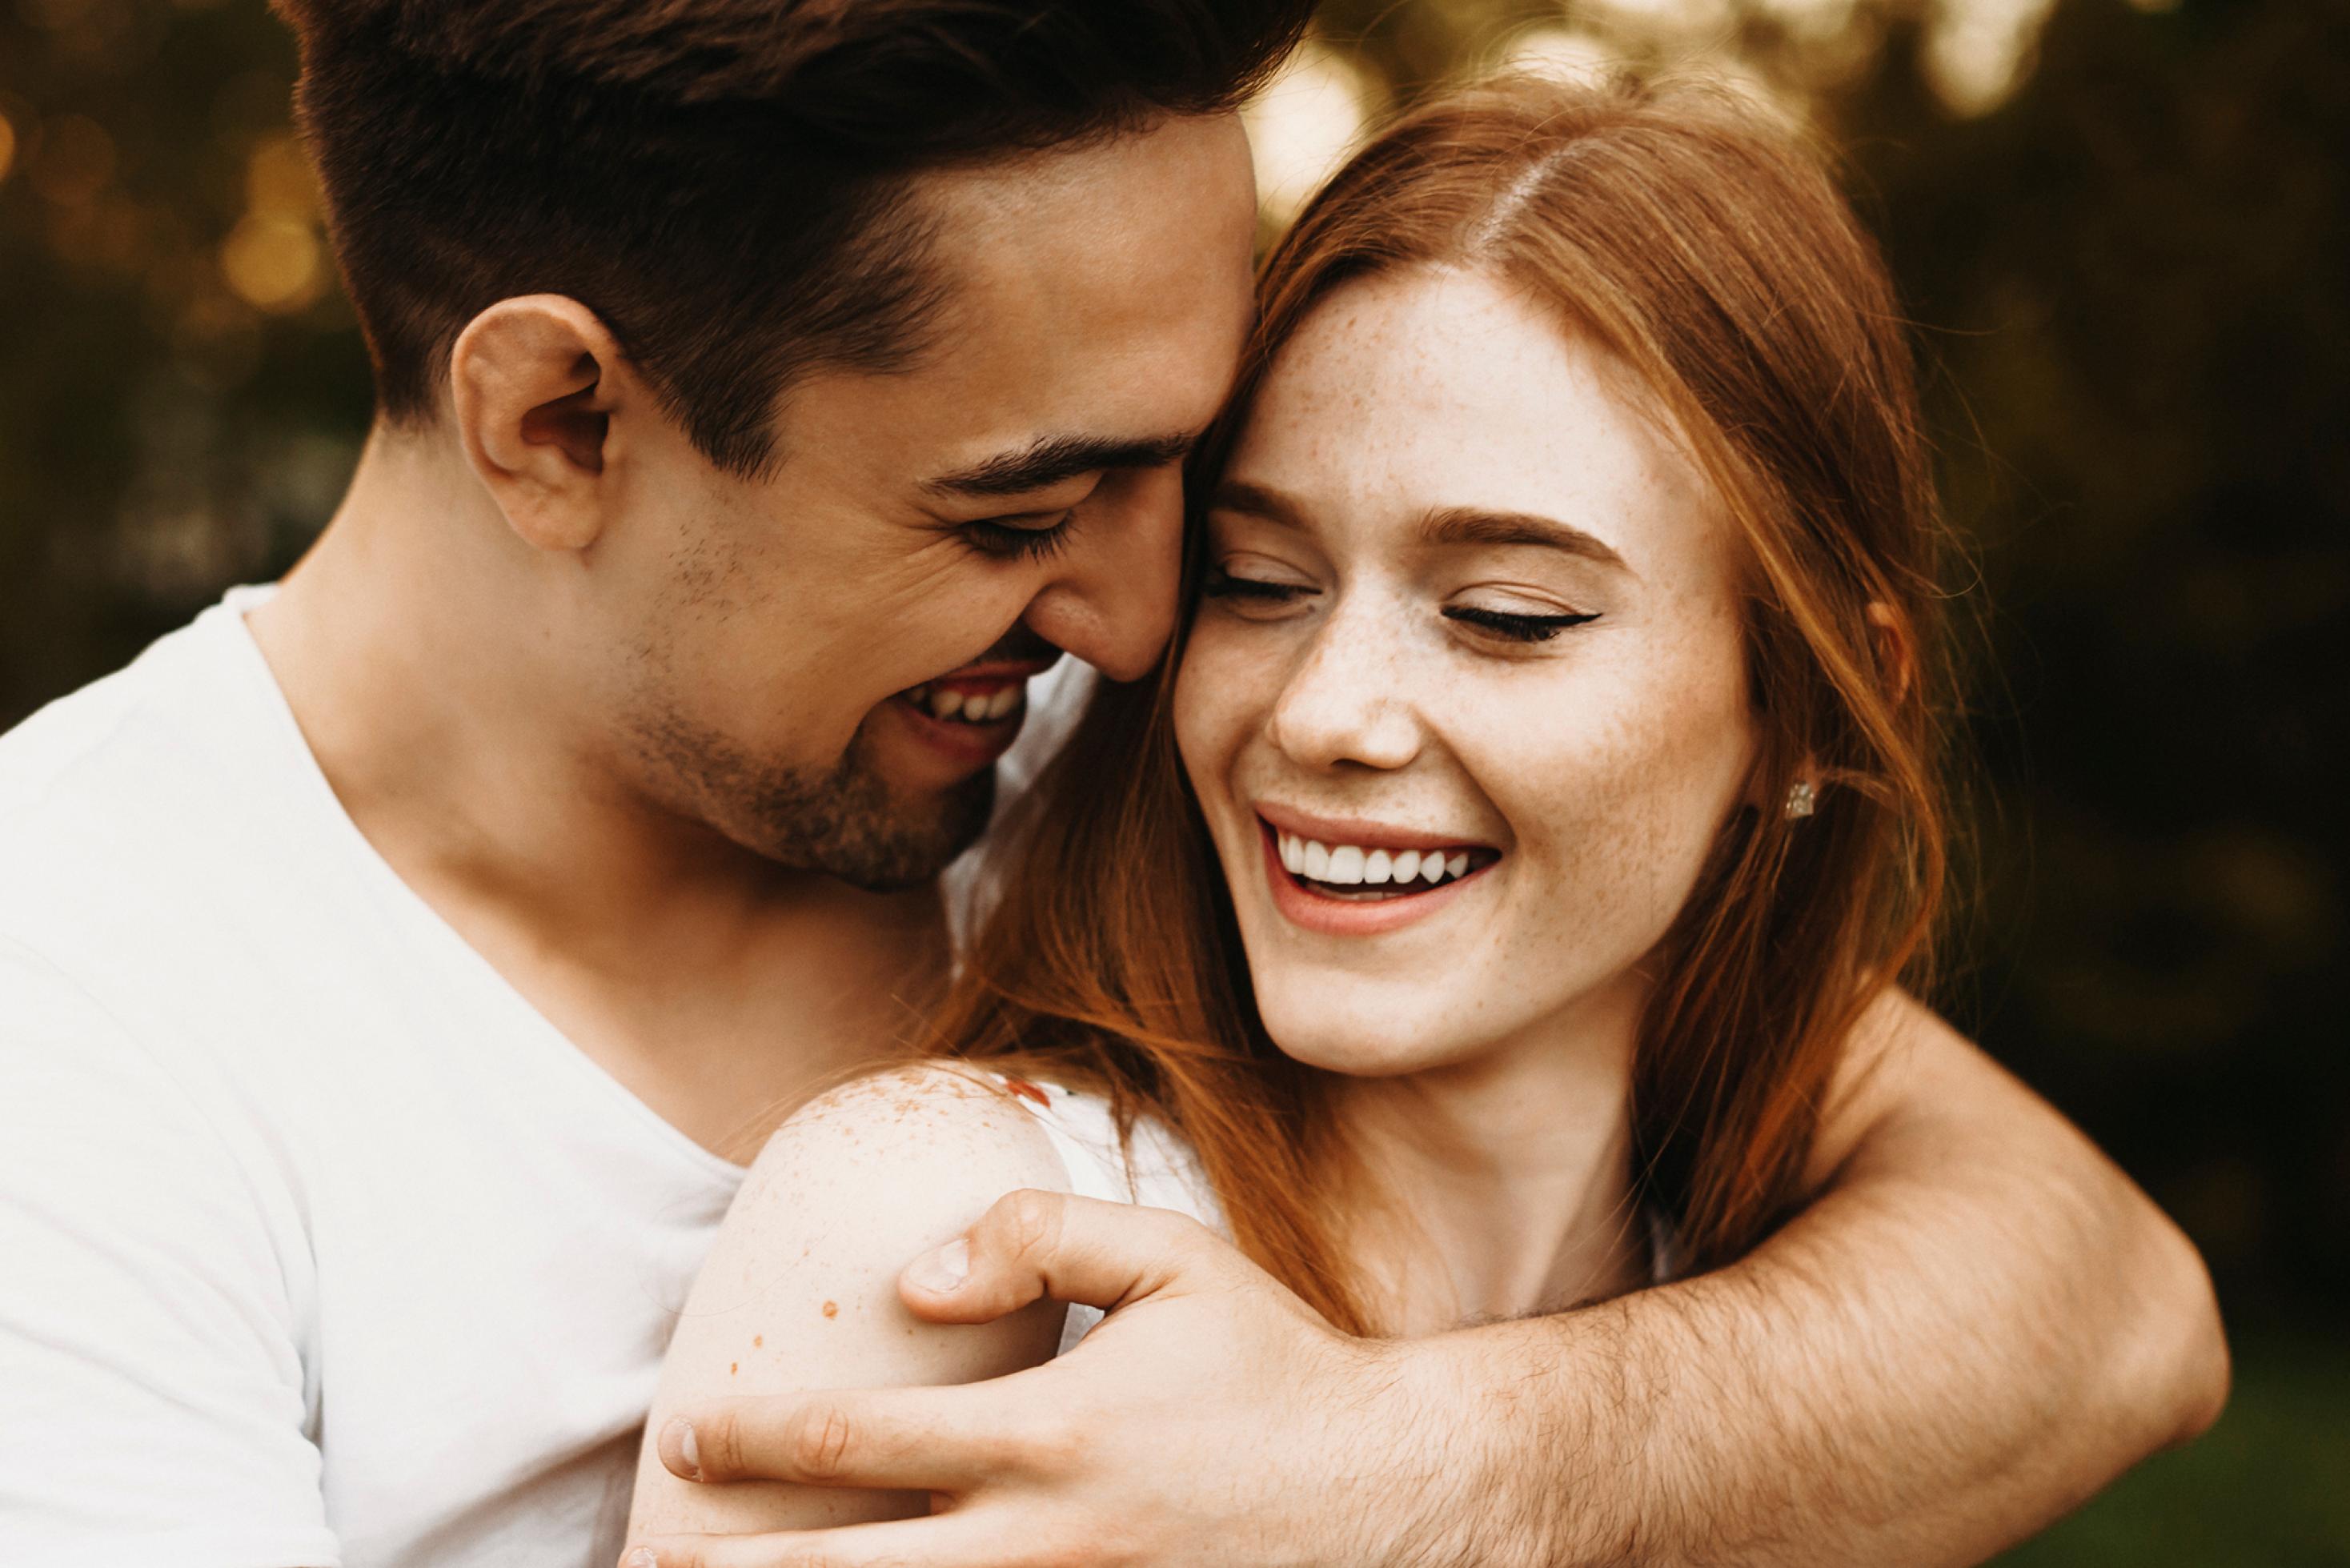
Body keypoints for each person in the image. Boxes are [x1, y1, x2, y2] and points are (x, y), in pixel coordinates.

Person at [0, 3, 2220, 1566]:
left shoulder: (1140, 762)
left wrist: (1416, 1475)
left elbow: (2091, 1296)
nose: (1162, 632)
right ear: (564, 423)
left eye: (1195, 488)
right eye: (1016, 507)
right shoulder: (77, 1019)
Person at [625, 74, 2228, 1568]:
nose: (1324, 710)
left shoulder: (1802, 1327)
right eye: (1257, 583)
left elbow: (2146, 1307)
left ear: (1803, 707)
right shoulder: (949, 1225)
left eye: (1509, 614)